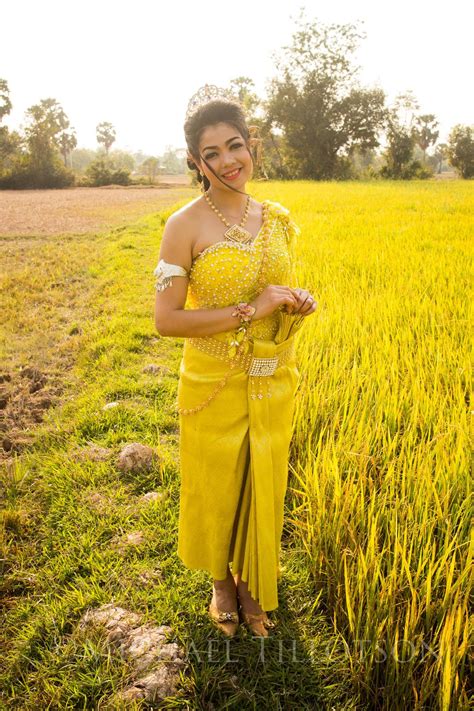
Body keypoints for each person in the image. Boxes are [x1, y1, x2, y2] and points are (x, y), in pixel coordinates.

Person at [153, 85, 317, 638]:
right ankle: (222, 583)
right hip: (213, 381)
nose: (228, 161)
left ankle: (253, 585)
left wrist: (296, 301)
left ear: (254, 147)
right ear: (196, 163)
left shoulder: (276, 218)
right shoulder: (182, 227)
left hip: (274, 376)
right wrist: (254, 308)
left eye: (235, 145)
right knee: (219, 483)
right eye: (213, 153)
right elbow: (167, 320)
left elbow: (280, 289)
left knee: (262, 481)